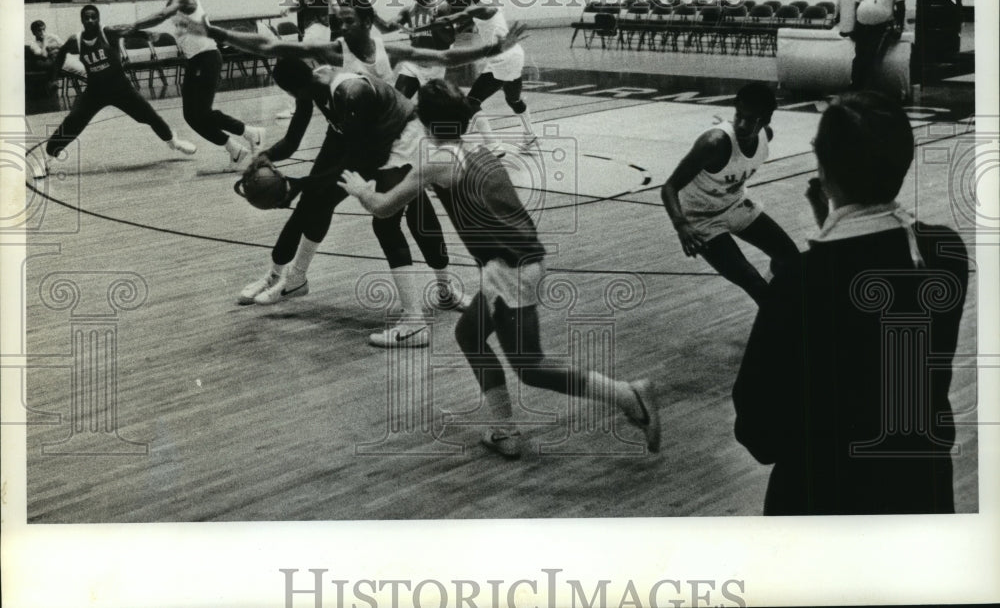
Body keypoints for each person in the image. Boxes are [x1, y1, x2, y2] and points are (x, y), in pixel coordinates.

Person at [339, 78, 661, 459]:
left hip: (507, 271)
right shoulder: (477, 150)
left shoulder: (438, 162)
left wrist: (361, 189)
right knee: (469, 335)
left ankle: (628, 395)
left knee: (531, 367)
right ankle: (504, 430)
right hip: (522, 261)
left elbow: (384, 207)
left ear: (424, 123)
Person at [206, 0, 528, 346]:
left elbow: (445, 60)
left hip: (388, 138)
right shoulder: (328, 60)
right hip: (360, 135)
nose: (340, 28)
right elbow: (271, 47)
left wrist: (495, 48)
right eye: (338, 21)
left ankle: (438, 297)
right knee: (320, 203)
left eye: (347, 21)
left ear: (367, 22)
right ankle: (289, 276)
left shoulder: (367, 70)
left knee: (413, 217)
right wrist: (266, 157)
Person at [732, 91, 969, 514]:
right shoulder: (945, 252)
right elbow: (875, 277)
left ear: (822, 169)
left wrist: (832, 231)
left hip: (820, 498)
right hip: (920, 491)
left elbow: (759, 428)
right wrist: (839, 224)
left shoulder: (799, 281)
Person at [660, 83, 799, 306]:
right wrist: (681, 225)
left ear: (765, 121)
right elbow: (669, 188)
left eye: (750, 119)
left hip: (735, 205)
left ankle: (775, 299)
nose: (742, 125)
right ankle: (777, 327)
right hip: (702, 219)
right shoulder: (713, 144)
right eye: (739, 116)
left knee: (792, 260)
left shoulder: (766, 136)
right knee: (753, 282)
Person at [31, 5, 196, 179]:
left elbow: (129, 30)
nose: (90, 20)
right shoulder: (76, 40)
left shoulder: (108, 33)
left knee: (149, 116)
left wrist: (145, 35)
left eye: (93, 17)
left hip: (120, 88)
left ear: (98, 19)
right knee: (72, 122)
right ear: (82, 20)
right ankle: (47, 160)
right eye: (86, 18)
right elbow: (61, 54)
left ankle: (173, 142)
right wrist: (53, 78)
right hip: (95, 91)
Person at [127, 0, 264, 169]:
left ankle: (250, 132)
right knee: (191, 116)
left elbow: (161, 15)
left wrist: (134, 25)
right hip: (195, 61)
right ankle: (234, 149)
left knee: (202, 112)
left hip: (207, 57)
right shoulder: (172, 3)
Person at [436, 0, 538, 153]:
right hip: (513, 54)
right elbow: (458, 26)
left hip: (503, 56)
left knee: (471, 102)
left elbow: (453, 18)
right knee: (513, 100)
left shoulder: (483, 6)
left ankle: (493, 145)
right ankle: (530, 136)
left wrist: (427, 24)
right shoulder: (481, 7)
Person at [850, 0, 905, 90]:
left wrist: (899, 27)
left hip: (882, 26)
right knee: (858, 58)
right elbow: (856, 4)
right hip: (862, 26)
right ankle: (856, 87)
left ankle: (869, 90)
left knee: (872, 57)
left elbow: (901, 5)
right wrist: (853, 25)